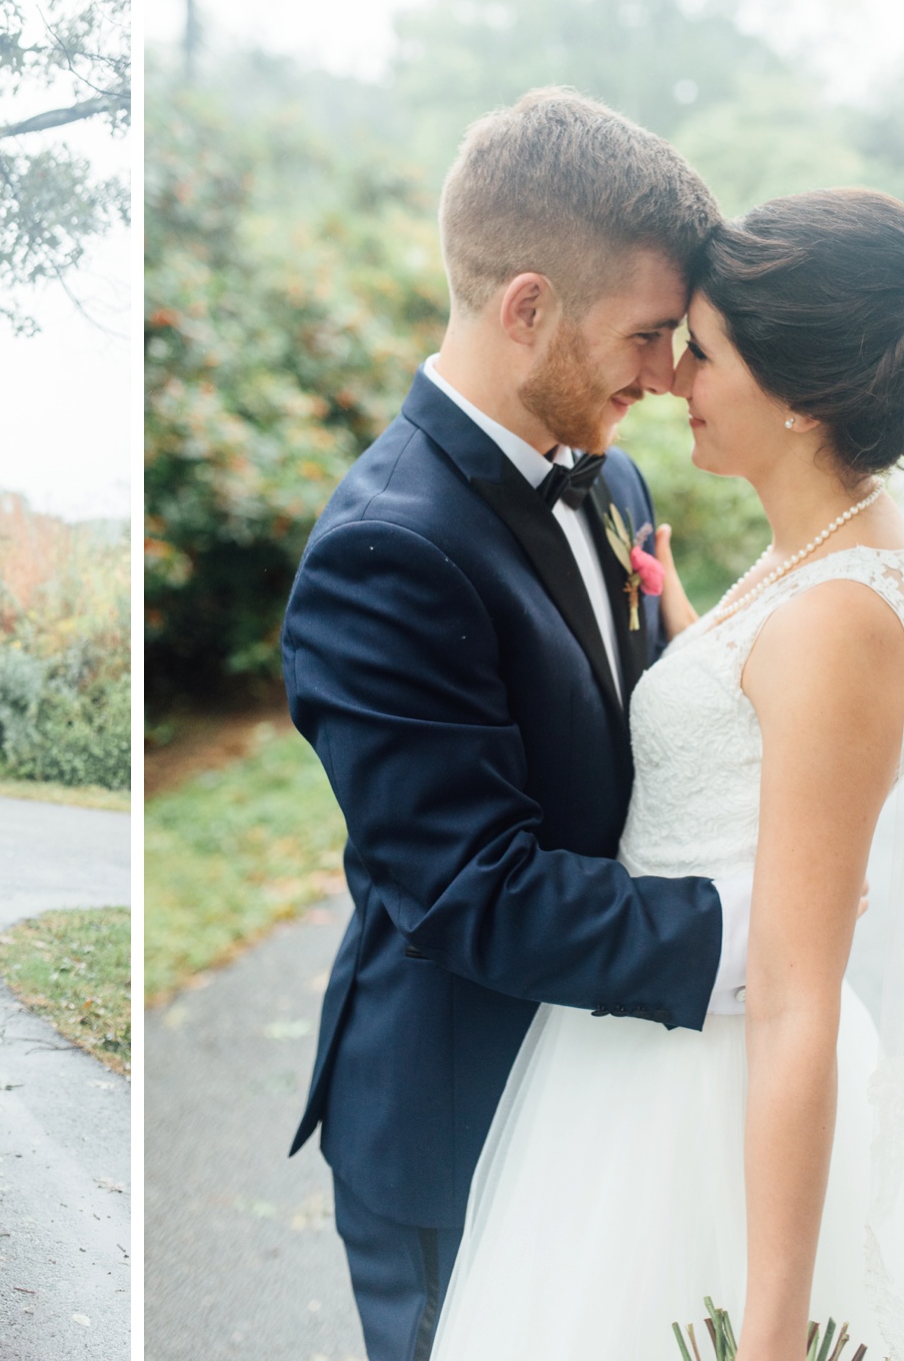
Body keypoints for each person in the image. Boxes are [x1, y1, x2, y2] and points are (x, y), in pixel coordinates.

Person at [431, 192, 904, 1359]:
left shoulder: (837, 617)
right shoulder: (817, 554)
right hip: (639, 1050)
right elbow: (755, 726)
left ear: (803, 397)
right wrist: (684, 634)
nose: (671, 379)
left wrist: (767, 1339)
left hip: (705, 1099)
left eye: (704, 353)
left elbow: (790, 997)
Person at [281, 89, 746, 1360]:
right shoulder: (385, 550)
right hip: (457, 1125)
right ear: (526, 305)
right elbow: (466, 890)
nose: (667, 377)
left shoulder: (614, 473)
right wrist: (746, 936)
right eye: (649, 335)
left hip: (612, 1101)